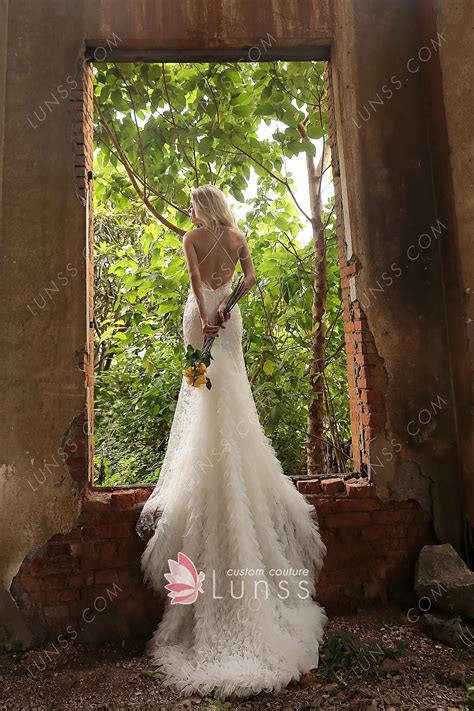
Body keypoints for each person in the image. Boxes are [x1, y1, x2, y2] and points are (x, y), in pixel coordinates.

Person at [135, 184, 328, 701]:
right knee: (231, 389)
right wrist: (230, 307)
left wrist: (206, 316)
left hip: (204, 321)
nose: (192, 212)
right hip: (231, 318)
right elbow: (252, 278)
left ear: (201, 207)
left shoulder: (193, 237)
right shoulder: (238, 236)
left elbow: (197, 283)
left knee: (204, 390)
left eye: (193, 205)